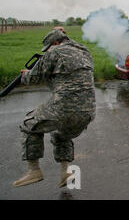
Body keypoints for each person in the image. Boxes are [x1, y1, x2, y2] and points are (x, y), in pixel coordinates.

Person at [13, 29, 96, 188]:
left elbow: (34, 78)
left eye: (49, 46)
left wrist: (25, 75)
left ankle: (34, 171)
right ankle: (66, 172)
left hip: (65, 107)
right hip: (89, 111)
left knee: (28, 124)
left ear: (56, 43)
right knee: (61, 135)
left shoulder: (54, 52)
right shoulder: (84, 51)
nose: (48, 50)